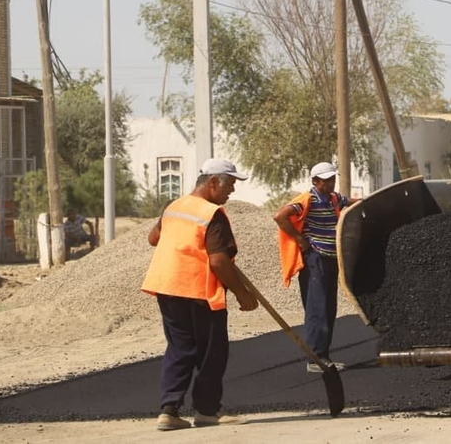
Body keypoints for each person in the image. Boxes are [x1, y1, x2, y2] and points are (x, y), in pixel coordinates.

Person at [141, 158, 259, 431]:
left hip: (167, 286)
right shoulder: (212, 214)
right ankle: (207, 411)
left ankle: (169, 411)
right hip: (197, 290)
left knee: (180, 348)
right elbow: (218, 262)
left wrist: (184, 245)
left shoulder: (174, 207)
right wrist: (242, 294)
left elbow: (153, 238)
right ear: (214, 182)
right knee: (211, 352)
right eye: (230, 184)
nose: (232, 191)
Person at [273, 161, 359, 373]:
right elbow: (280, 216)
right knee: (317, 308)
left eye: (332, 179)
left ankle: (324, 356)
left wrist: (370, 203)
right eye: (326, 180)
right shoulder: (307, 200)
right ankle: (315, 358)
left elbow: (351, 202)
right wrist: (299, 239)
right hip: (315, 259)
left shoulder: (333, 199)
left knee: (329, 308)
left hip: (331, 258)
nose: (330, 183)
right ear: (315, 181)